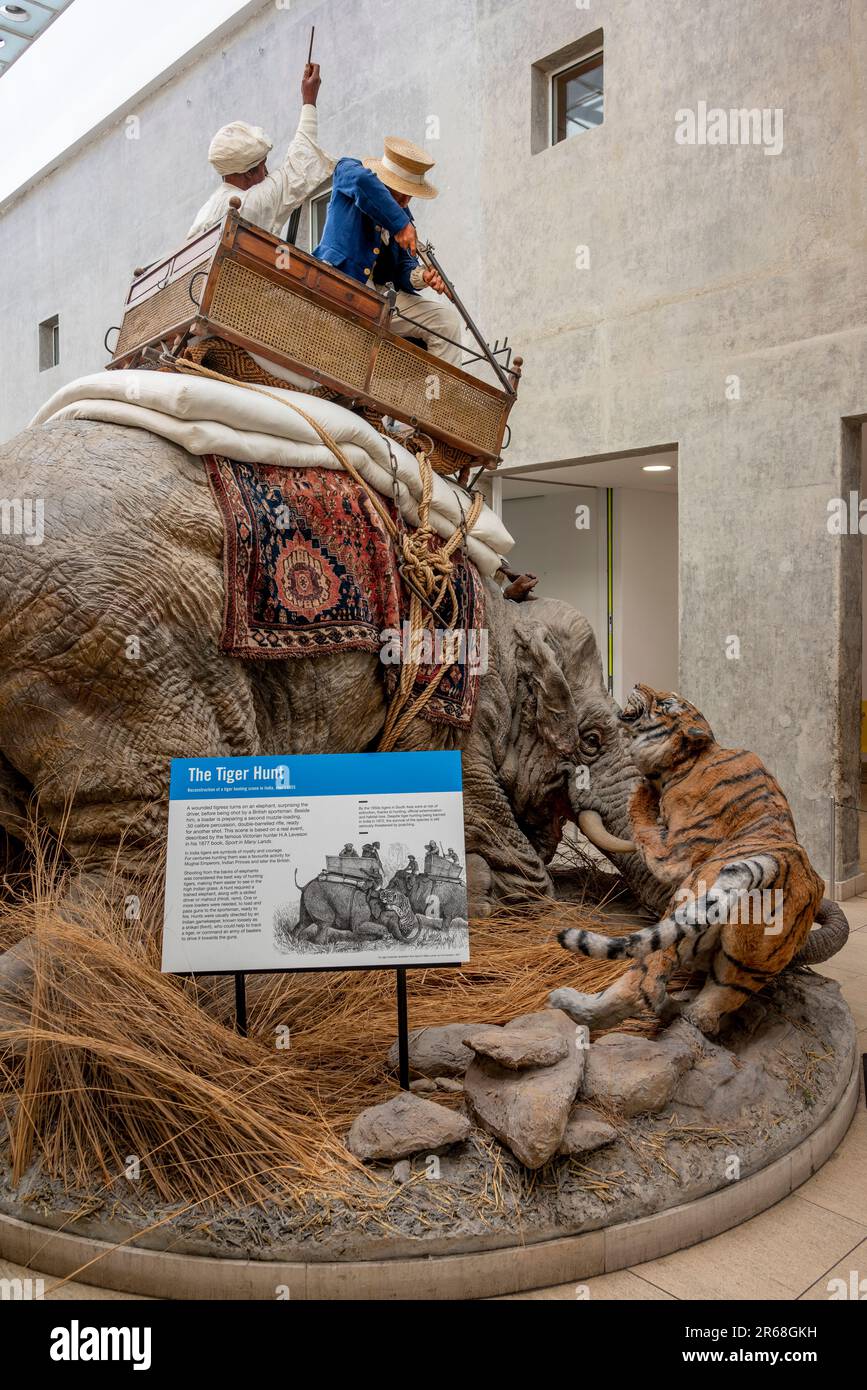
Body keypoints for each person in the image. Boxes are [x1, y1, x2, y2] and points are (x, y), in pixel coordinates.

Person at [313, 137, 463, 367]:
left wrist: (422, 276)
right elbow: (363, 182)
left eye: (410, 193)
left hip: (377, 301)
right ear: (383, 179)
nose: (405, 200)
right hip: (338, 284)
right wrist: (399, 224)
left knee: (446, 322)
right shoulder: (349, 170)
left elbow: (403, 267)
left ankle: (439, 398)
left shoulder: (406, 218)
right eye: (400, 191)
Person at [187, 63, 334, 240]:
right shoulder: (248, 204)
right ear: (249, 173)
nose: (267, 174)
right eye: (264, 166)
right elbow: (299, 164)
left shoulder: (205, 212)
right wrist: (309, 100)